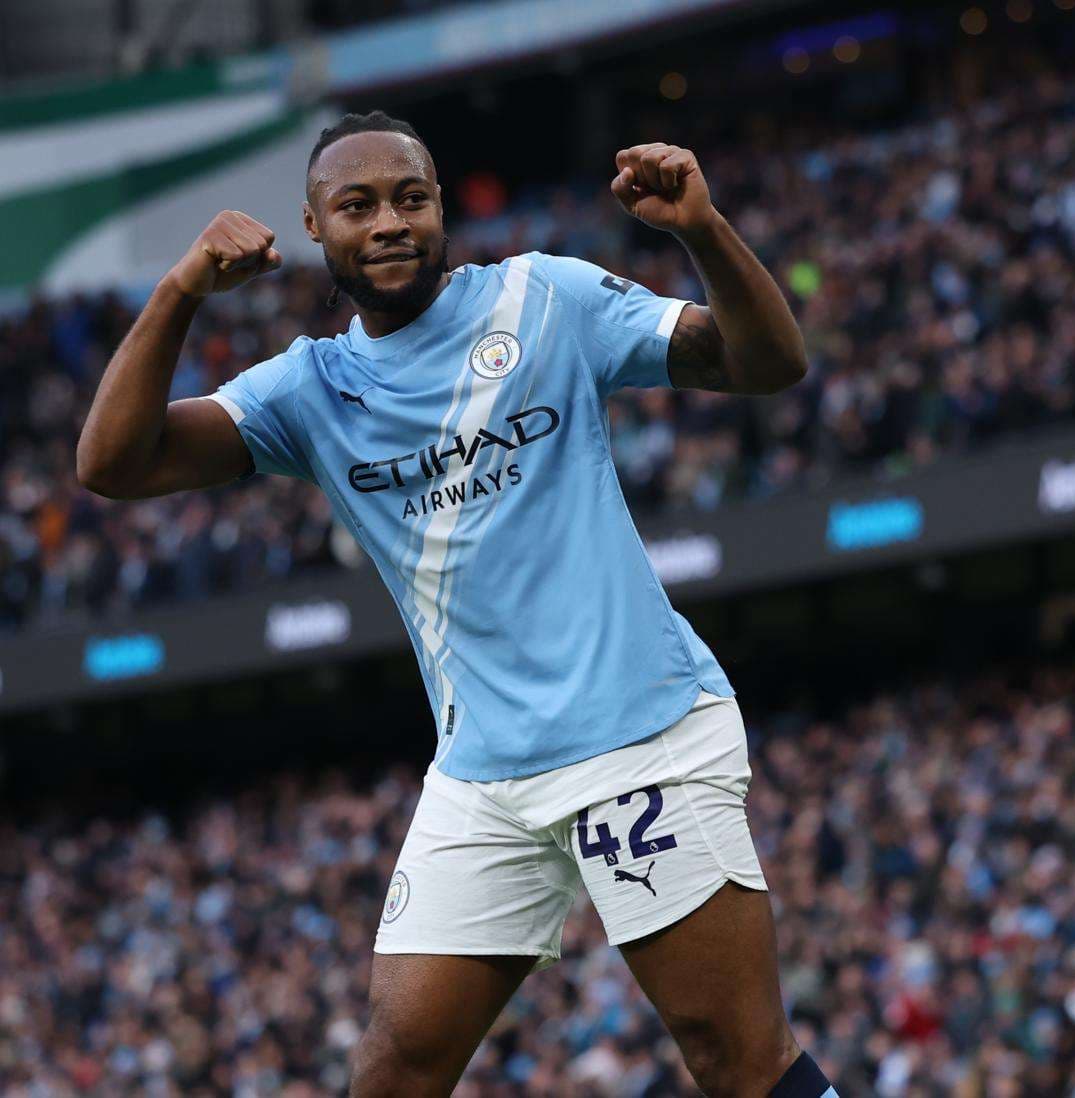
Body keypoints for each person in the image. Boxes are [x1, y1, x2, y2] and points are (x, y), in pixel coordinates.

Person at [76, 111, 840, 1098]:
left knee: (736, 1057)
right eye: (357, 205)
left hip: (637, 733)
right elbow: (111, 463)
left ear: (441, 210)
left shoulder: (545, 298)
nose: (389, 221)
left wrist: (702, 230)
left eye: (411, 197)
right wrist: (180, 289)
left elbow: (768, 362)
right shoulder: (309, 388)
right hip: (483, 777)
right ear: (316, 227)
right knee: (396, 1063)